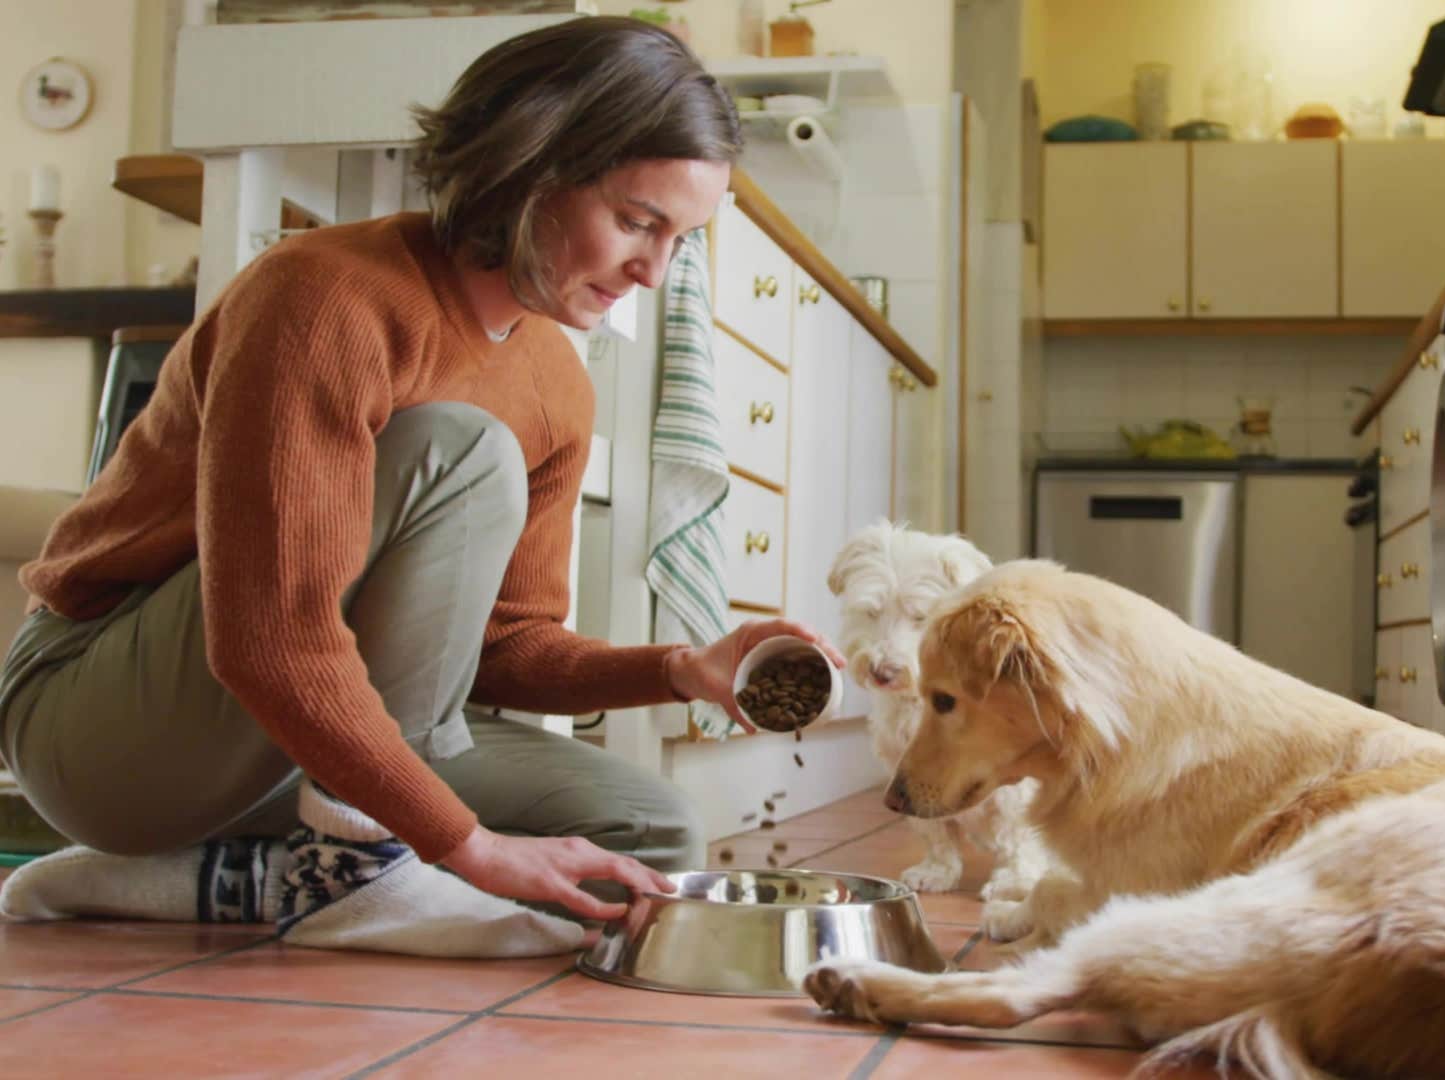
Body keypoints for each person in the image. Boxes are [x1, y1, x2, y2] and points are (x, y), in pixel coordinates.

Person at [0, 17, 838, 958]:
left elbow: (502, 651)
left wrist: (678, 667)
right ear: (531, 167)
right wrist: (469, 846)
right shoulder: (323, 298)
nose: (654, 269)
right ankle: (356, 867)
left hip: (291, 741)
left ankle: (225, 879)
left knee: (645, 839)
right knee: (458, 445)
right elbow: (271, 641)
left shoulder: (557, 381)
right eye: (638, 221)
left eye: (681, 239)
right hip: (103, 722)